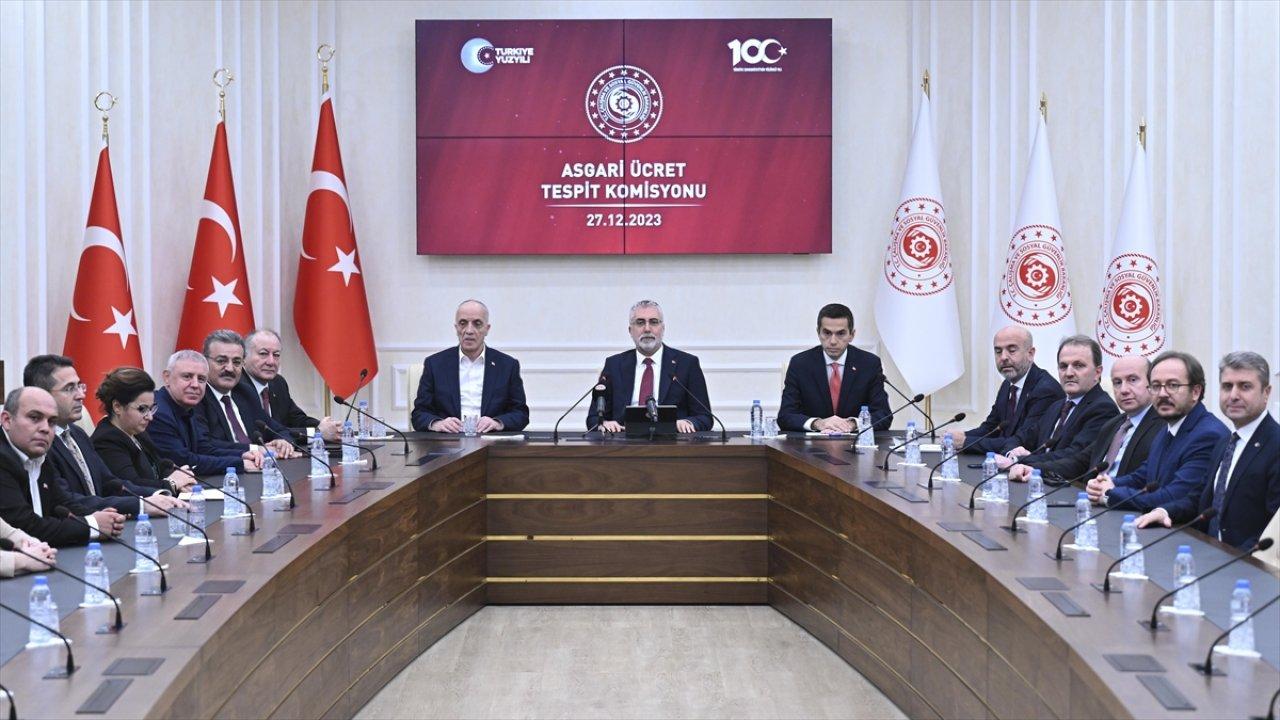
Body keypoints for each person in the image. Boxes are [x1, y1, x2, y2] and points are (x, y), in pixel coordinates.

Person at [1136, 351, 1279, 549]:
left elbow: (1273, 526)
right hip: (1209, 552)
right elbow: (1199, 498)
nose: (1233, 396)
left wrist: (1236, 558)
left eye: (1245, 387)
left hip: (1246, 561)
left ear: (1266, 393)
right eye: (1227, 386)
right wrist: (1164, 511)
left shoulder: (1275, 444)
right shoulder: (1226, 442)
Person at [22, 355, 186, 518]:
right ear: (41, 395)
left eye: (80, 386)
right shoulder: (39, 444)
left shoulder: (78, 434)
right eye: (69, 388)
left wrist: (157, 496)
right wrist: (141, 505)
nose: (81, 395)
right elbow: (67, 501)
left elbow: (110, 483)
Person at [1086, 350, 1229, 512]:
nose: (1162, 394)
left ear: (1195, 392)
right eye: (1155, 386)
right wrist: (1106, 483)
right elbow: (1143, 475)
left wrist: (1110, 494)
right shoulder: (1169, 427)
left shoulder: (1208, 435)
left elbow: (1172, 496)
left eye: (1173, 385)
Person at [0, 388, 125, 547]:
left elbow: (62, 502)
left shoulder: (40, 456)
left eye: (52, 421)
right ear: (7, 420)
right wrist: (92, 525)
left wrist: (100, 517)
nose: (45, 428)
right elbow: (25, 527)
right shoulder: (3, 459)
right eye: (34, 418)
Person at [1009, 355, 1161, 483]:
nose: (1124, 390)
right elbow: (1079, 462)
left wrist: (1112, 490)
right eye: (1117, 382)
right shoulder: (1115, 424)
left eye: (1133, 380)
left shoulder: (1162, 427)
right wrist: (1033, 469)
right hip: (1091, 499)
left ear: (1152, 383)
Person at [994, 336, 1118, 473]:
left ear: (1097, 372)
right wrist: (1011, 452)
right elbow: (1022, 437)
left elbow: (1073, 457)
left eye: (1078, 365)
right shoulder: (1057, 405)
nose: (1069, 373)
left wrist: (1019, 460)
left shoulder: (1103, 408)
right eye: (1063, 366)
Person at [588, 300, 712, 434]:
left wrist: (688, 422)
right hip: (623, 440)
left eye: (653, 322)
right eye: (640, 322)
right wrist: (604, 423)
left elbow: (705, 417)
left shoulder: (687, 364)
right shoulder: (614, 365)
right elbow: (593, 418)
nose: (647, 329)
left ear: (663, 328)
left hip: (673, 440)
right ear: (630, 330)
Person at [411, 300, 530, 433]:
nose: (469, 330)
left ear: (487, 329)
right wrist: (437, 424)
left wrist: (497, 423)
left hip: (490, 439)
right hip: (448, 440)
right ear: (456, 328)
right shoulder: (435, 364)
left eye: (477, 324)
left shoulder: (507, 365)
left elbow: (521, 414)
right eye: (463, 323)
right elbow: (419, 413)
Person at [947, 326, 1063, 454]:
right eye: (998, 351)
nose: (1003, 357)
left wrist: (965, 442)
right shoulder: (1008, 384)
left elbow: (1022, 442)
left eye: (1011, 350)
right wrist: (960, 436)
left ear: (1030, 353)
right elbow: (990, 428)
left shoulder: (1045, 390)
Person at [777, 303, 891, 433]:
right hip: (811, 443)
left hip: (855, 442)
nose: (833, 341)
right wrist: (818, 423)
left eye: (840, 333)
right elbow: (785, 416)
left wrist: (853, 424)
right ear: (818, 333)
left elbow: (883, 415)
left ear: (852, 335)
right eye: (827, 333)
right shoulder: (800, 364)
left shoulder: (869, 364)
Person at [150, 350, 263, 476]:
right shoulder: (158, 412)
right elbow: (183, 461)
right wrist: (239, 464)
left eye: (201, 379)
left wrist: (242, 455)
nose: (195, 385)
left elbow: (203, 449)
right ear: (167, 377)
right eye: (187, 376)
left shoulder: (187, 406)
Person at [91, 367, 195, 494]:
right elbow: (131, 485)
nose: (150, 417)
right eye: (142, 409)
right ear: (117, 407)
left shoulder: (137, 432)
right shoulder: (106, 441)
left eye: (151, 408)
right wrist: (171, 484)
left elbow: (159, 466)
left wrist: (180, 477)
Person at [199, 330, 297, 456]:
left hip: (260, 463)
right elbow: (205, 445)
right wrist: (254, 449)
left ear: (243, 363)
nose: (230, 368)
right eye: (221, 361)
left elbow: (278, 429)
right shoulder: (198, 396)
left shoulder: (244, 392)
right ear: (205, 362)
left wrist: (283, 442)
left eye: (236, 362)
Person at [239, 329, 339, 441]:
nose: (271, 362)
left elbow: (296, 419)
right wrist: (317, 432)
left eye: (276, 355)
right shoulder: (238, 387)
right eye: (263, 354)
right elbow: (267, 432)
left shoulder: (277, 382)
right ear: (244, 357)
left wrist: (328, 427)